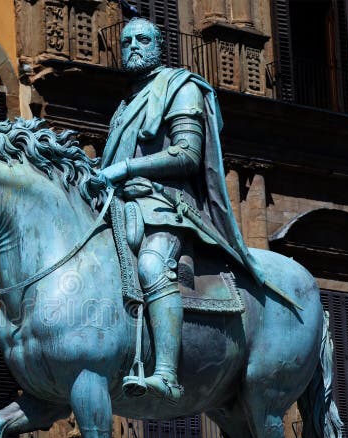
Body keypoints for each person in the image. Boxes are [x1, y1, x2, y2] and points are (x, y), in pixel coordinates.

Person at [100, 18, 271, 402]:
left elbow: (187, 154)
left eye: (142, 40)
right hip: (123, 205)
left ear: (159, 46)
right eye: (126, 41)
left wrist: (126, 168)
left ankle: (166, 373)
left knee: (150, 266)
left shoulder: (182, 87)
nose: (132, 47)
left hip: (166, 206)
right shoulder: (125, 104)